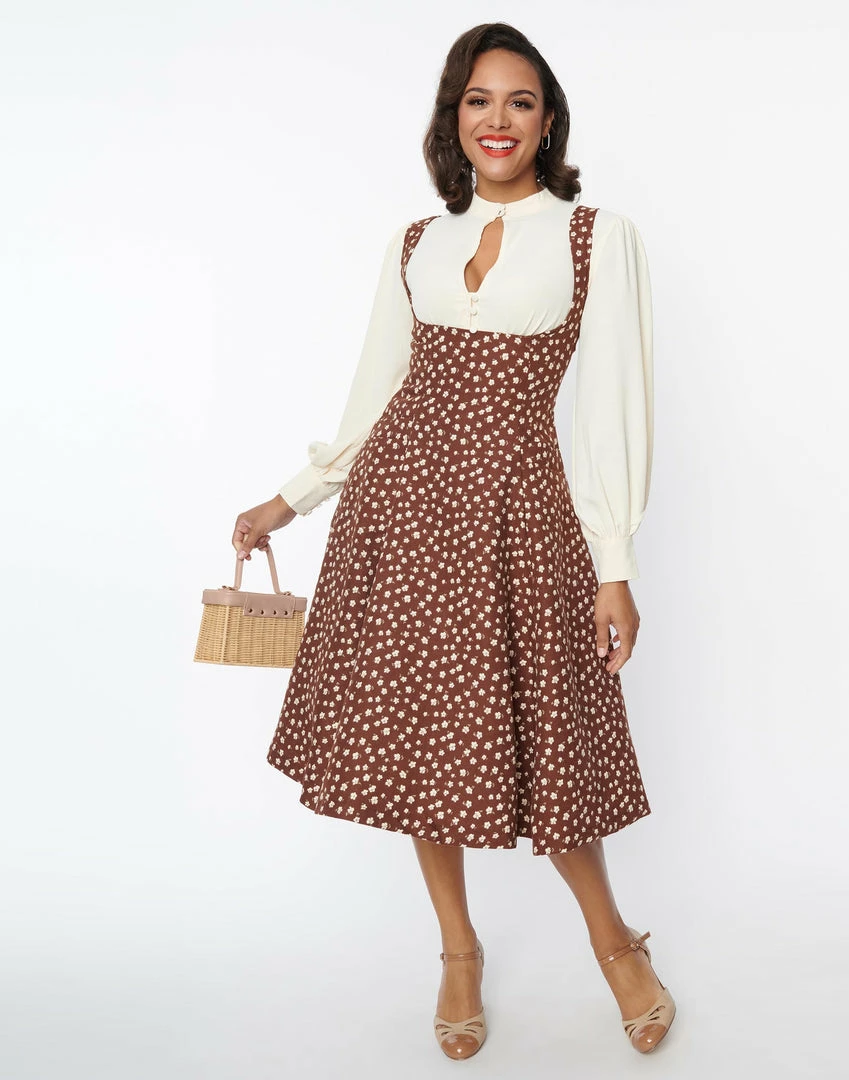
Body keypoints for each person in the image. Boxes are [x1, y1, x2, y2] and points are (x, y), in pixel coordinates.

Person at [231, 21, 674, 1061]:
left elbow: (610, 408)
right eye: (478, 101)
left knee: (550, 745)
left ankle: (615, 944)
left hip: (518, 520)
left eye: (520, 101)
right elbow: (376, 393)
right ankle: (458, 952)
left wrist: (613, 566)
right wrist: (291, 500)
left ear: (548, 121)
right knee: (420, 742)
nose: (497, 120)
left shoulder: (593, 236)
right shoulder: (415, 243)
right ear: (454, 118)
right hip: (399, 516)